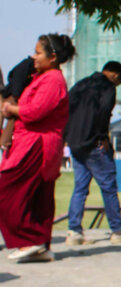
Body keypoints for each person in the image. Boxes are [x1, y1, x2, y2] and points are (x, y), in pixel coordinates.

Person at [0, 33, 75, 263]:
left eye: (38, 53)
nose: (34, 57)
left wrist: (12, 110)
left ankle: (28, 240)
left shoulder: (52, 79)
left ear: (52, 57)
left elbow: (35, 111)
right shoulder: (43, 76)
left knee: (7, 190)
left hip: (36, 144)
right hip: (36, 143)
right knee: (38, 197)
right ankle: (41, 245)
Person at [64, 60, 121, 245]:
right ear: (115, 76)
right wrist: (102, 137)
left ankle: (74, 232)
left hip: (75, 143)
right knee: (108, 187)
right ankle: (118, 230)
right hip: (94, 144)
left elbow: (66, 108)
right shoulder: (107, 87)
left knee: (80, 188)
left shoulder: (81, 84)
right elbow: (104, 111)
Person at [1, 57, 36, 154]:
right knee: (12, 118)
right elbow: (17, 78)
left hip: (13, 94)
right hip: (13, 95)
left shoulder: (28, 65)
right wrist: (17, 95)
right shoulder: (27, 65)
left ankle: (5, 142)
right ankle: (5, 142)